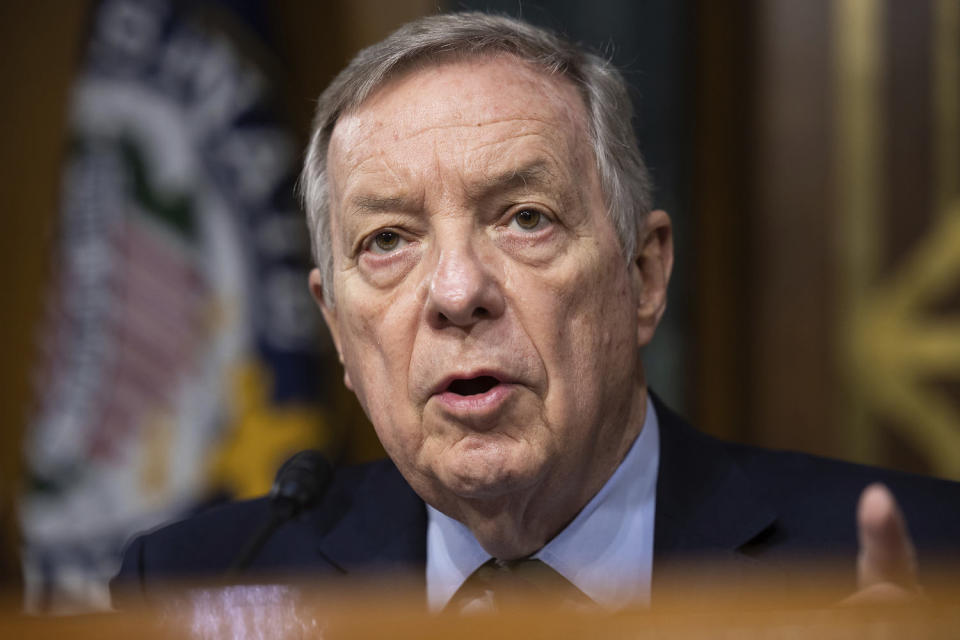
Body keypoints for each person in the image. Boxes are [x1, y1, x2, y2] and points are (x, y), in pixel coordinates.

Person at [112, 12, 960, 610]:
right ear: (335, 325)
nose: (454, 293)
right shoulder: (202, 589)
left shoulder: (920, 566)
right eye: (386, 241)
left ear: (643, 274)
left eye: (525, 218)